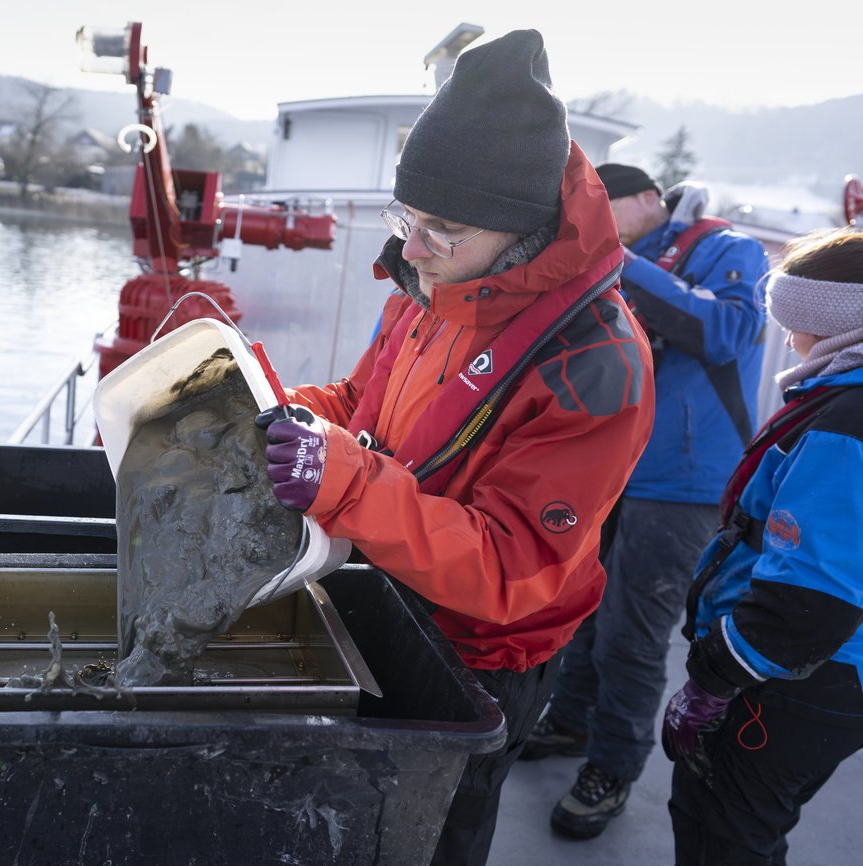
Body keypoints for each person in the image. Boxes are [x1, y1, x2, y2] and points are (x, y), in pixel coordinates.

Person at [253, 30, 655, 865]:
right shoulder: (431, 281)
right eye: (407, 217)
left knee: (429, 840)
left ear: (522, 231)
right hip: (384, 590)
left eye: (442, 228)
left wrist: (347, 481)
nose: (410, 246)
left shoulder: (598, 363)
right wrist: (272, 409)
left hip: (481, 659)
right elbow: (364, 403)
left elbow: (513, 568)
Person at [518, 163, 769, 838]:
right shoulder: (620, 259)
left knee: (632, 633)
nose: (592, 222)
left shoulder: (727, 249)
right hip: (612, 468)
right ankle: (571, 722)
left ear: (646, 199)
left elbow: (727, 333)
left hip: (684, 482)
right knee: (583, 614)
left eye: (604, 207)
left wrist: (617, 257)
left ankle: (614, 768)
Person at [662, 227, 863, 865]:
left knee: (725, 828)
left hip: (799, 680)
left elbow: (808, 606)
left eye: (801, 324)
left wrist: (711, 681)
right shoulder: (840, 397)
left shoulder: (847, 424)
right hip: (834, 676)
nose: (793, 340)